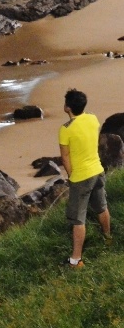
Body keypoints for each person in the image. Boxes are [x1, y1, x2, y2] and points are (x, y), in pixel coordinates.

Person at [59, 88, 111, 268]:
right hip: (97, 170)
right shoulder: (92, 118)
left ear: (67, 107)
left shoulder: (65, 129)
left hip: (81, 177)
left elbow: (65, 157)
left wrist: (71, 176)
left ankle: (76, 260)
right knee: (101, 207)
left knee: (78, 219)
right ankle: (108, 238)